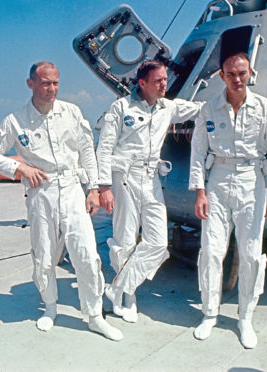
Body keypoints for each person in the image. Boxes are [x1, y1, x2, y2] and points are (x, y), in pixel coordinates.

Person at [0, 61, 123, 341]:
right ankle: (50, 306)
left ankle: (94, 315)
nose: (52, 89)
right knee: (44, 254)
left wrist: (93, 189)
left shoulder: (71, 112)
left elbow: (87, 151)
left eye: (56, 83)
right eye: (45, 83)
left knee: (85, 253)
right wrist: (19, 168)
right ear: (31, 83)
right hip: (41, 192)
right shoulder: (15, 120)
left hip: (72, 189)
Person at [189, 52, 267, 349]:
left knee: (250, 253)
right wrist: (200, 191)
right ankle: (209, 313)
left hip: (252, 179)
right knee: (211, 251)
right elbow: (197, 152)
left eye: (242, 73)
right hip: (218, 178)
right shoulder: (209, 109)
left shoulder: (265, 108)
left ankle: (245, 318)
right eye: (231, 73)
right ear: (222, 76)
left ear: (251, 73)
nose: (237, 78)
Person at [96, 60, 202, 323]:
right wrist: (104, 187)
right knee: (125, 238)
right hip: (125, 176)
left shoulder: (169, 107)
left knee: (157, 242)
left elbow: (203, 109)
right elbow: (104, 147)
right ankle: (127, 298)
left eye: (165, 79)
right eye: (158, 81)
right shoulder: (121, 108)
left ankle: (118, 288)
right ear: (142, 83)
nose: (164, 84)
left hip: (152, 177)